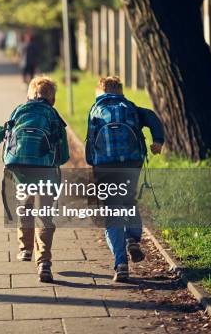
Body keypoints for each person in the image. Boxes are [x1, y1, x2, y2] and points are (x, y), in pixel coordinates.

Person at [0, 76, 69, 282]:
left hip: (19, 169)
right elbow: (63, 150)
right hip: (45, 170)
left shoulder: (19, 111)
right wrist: (58, 161)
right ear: (52, 99)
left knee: (25, 206)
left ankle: (25, 248)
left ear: (29, 95)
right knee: (44, 215)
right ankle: (44, 262)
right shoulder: (53, 115)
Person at [85, 76, 164, 282]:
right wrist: (158, 141)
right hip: (131, 162)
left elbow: (89, 144)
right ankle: (133, 238)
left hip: (105, 167)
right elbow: (153, 118)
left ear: (99, 92)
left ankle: (121, 263)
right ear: (120, 91)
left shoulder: (95, 109)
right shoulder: (130, 107)